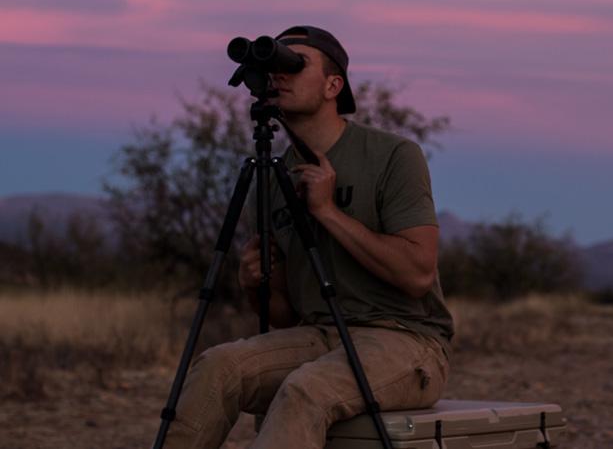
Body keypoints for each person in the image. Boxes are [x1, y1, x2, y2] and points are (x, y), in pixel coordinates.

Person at [163, 25, 454, 449]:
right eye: (275, 65)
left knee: (307, 389)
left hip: (406, 340)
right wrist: (254, 286)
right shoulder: (271, 177)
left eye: (295, 65)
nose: (279, 75)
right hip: (317, 335)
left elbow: (417, 274)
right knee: (217, 366)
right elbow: (281, 315)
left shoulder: (393, 155)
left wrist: (326, 212)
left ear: (334, 85)